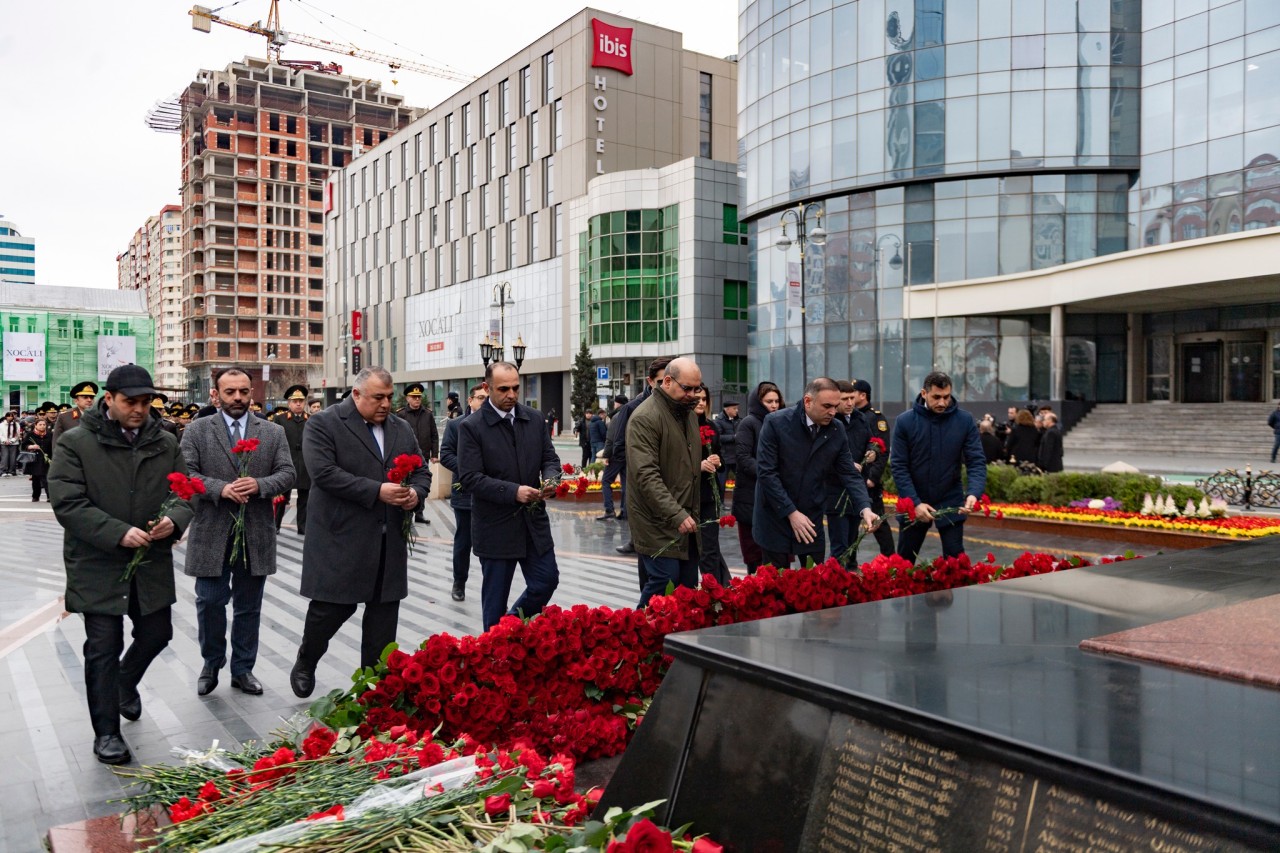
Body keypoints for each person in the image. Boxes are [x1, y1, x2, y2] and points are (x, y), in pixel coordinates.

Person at [48, 364, 194, 765]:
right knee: (102, 647)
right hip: (97, 561)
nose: (140, 409)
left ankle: (124, 685)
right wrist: (116, 532)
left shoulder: (165, 442)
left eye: (146, 401)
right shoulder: (76, 442)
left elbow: (185, 492)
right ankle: (107, 733)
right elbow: (67, 501)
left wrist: (175, 519)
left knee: (157, 633)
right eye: (131, 401)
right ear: (108, 399)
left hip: (149, 559)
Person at [290, 367, 432, 697]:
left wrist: (415, 494)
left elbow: (421, 469)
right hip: (341, 537)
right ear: (356, 394)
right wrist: (376, 491)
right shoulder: (325, 423)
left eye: (389, 397)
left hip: (388, 541)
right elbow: (324, 474)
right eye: (377, 397)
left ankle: (374, 691)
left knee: (383, 620)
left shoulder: (400, 427)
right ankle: (307, 659)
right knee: (330, 610)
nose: (385, 404)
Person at [180, 367, 295, 697]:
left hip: (255, 531)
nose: (238, 398)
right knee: (209, 602)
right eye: (230, 392)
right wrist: (220, 488)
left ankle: (243, 669)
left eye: (244, 392)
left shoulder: (271, 433)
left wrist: (259, 485)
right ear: (216, 394)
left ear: (251, 394)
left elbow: (288, 473)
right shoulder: (198, 430)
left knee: (249, 606)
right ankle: (211, 663)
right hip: (211, 530)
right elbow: (186, 473)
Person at [457, 362, 561, 631]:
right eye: (503, 389)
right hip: (495, 527)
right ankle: (492, 654)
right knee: (494, 602)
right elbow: (470, 478)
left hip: (533, 524)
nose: (512, 395)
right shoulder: (472, 427)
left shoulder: (534, 418)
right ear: (486, 387)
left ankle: (509, 627)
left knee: (546, 581)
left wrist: (551, 478)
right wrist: (513, 492)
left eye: (516, 387)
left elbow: (549, 457)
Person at [753, 378, 878, 568]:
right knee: (776, 587)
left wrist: (865, 508)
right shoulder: (776, 423)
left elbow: (849, 473)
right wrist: (791, 513)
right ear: (807, 401)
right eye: (827, 406)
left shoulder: (836, 429)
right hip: (775, 516)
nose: (833, 412)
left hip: (811, 516)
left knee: (814, 583)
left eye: (835, 406)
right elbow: (767, 474)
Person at [627, 358, 705, 606]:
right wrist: (676, 514)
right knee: (663, 583)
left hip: (686, 519)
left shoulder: (688, 414)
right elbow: (646, 475)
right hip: (657, 521)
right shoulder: (645, 417)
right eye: (687, 389)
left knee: (687, 588)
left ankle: (673, 642)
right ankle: (637, 637)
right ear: (667, 381)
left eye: (697, 389)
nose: (693, 395)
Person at [891, 371, 988, 563]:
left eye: (946, 397)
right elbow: (899, 466)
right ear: (924, 393)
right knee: (904, 562)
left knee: (955, 562)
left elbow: (976, 461)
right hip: (914, 500)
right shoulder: (905, 421)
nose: (942, 403)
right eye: (936, 397)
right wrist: (915, 503)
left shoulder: (965, 420)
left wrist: (973, 493)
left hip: (950, 498)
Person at [440, 383, 488, 602]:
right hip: (465, 493)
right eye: (480, 398)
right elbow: (446, 454)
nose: (484, 401)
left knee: (491, 543)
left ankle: (492, 585)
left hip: (491, 494)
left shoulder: (497, 425)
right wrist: (468, 469)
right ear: (470, 401)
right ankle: (459, 582)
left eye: (487, 398)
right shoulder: (456, 425)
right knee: (463, 541)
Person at [731, 382, 783, 574]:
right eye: (769, 401)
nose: (774, 405)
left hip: (775, 495)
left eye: (777, 401)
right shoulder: (749, 423)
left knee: (777, 555)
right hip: (751, 496)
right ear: (758, 402)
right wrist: (767, 473)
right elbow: (743, 457)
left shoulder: (781, 422)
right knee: (755, 554)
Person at [824, 380, 870, 567]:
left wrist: (872, 452)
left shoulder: (860, 418)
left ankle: (851, 582)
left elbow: (870, 440)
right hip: (836, 492)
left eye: (852, 398)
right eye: (845, 399)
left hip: (856, 490)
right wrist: (846, 465)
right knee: (840, 547)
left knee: (852, 545)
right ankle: (835, 584)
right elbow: (824, 455)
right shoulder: (830, 422)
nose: (850, 403)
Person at [851, 379, 895, 558]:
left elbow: (882, 451)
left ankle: (890, 558)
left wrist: (872, 478)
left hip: (868, 481)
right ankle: (850, 561)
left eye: (853, 394)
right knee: (851, 524)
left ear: (862, 395)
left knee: (878, 522)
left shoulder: (875, 418)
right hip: (854, 478)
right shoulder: (850, 417)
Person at [694, 383, 729, 584]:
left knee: (710, 545)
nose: (700, 402)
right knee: (697, 547)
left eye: (704, 399)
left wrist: (718, 461)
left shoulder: (712, 426)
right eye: (697, 399)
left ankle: (716, 587)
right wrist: (697, 466)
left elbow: (722, 461)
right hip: (690, 494)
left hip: (710, 494)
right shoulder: (682, 426)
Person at [397, 383, 439, 526]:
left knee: (422, 484)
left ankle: (419, 512)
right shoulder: (401, 414)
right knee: (406, 484)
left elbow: (434, 435)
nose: (417, 400)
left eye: (419, 397)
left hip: (423, 456)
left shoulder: (427, 414)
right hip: (406, 458)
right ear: (408, 398)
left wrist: (435, 453)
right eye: (414, 397)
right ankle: (407, 513)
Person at [276, 384, 311, 535]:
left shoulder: (310, 419)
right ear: (289, 403)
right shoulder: (280, 420)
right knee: (282, 498)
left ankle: (302, 527)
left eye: (301, 401)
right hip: (287, 464)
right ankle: (275, 525)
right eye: (295, 401)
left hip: (305, 465)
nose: (298, 404)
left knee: (305, 499)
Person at [597, 394, 630, 523]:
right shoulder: (631, 415)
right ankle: (625, 511)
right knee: (626, 484)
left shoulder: (617, 417)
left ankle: (609, 510)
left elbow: (610, 438)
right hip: (628, 454)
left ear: (617, 404)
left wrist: (606, 455)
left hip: (616, 455)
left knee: (606, 481)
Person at [53, 381, 98, 449]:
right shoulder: (65, 417)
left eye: (91, 397)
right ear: (76, 401)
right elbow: (57, 442)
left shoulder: (99, 416)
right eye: (85, 397)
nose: (89, 400)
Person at [712, 398, 741, 481]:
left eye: (737, 408)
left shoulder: (738, 420)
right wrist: (734, 437)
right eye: (734, 408)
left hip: (736, 457)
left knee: (741, 482)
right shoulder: (718, 421)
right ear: (727, 409)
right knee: (721, 484)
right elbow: (717, 437)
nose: (737, 410)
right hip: (725, 458)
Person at [25, 418, 53, 501]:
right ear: (36, 425)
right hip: (34, 459)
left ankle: (49, 496)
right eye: (40, 425)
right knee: (36, 478)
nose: (42, 426)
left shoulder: (49, 434)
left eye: (44, 425)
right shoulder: (31, 434)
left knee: (46, 478)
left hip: (46, 459)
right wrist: (31, 446)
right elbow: (24, 445)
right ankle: (35, 496)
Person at [1, 410, 20, 476]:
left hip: (14, 443)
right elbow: (0, 434)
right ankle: (3, 471)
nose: (10, 417)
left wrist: (12, 441)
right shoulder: (2, 424)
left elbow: (17, 435)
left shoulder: (16, 424)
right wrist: (4, 441)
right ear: (6, 417)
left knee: (13, 457)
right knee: (4, 457)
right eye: (8, 416)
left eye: (11, 416)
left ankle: (12, 471)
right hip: (4, 443)